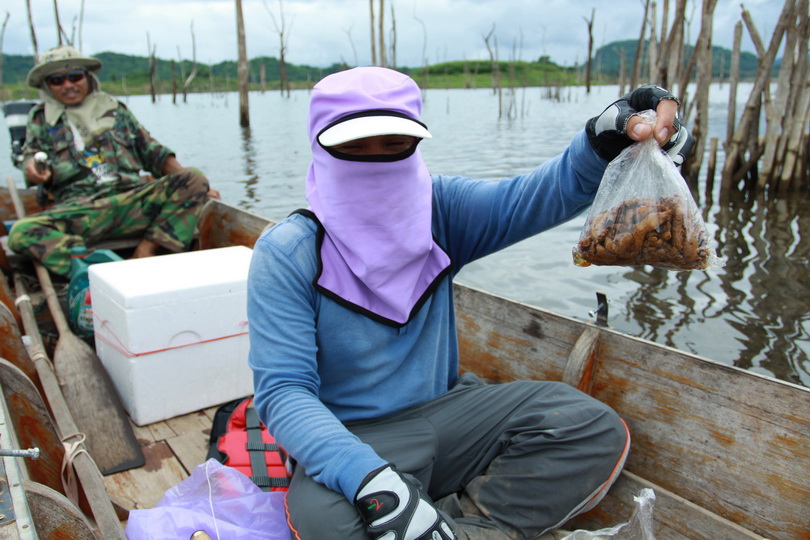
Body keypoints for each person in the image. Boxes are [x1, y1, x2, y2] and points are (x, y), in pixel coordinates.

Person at [247, 67, 693, 540]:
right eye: (354, 146)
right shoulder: (289, 252)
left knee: (589, 428)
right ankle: (426, 516)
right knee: (325, 523)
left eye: (393, 144)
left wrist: (604, 140)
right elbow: (284, 393)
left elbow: (539, 196)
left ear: (415, 143)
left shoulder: (439, 213)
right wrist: (371, 482)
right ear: (319, 146)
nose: (375, 163)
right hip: (354, 437)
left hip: (452, 414)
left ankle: (455, 529)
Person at [7, 45, 219, 276]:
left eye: (74, 76)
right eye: (57, 80)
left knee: (195, 177)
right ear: (48, 85)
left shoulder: (116, 111)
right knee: (21, 232)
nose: (68, 85)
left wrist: (200, 189)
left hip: (132, 202)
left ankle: (145, 251)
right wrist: (33, 169)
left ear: (86, 78)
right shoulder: (40, 118)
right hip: (82, 212)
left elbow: (153, 153)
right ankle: (100, 272)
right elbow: (30, 157)